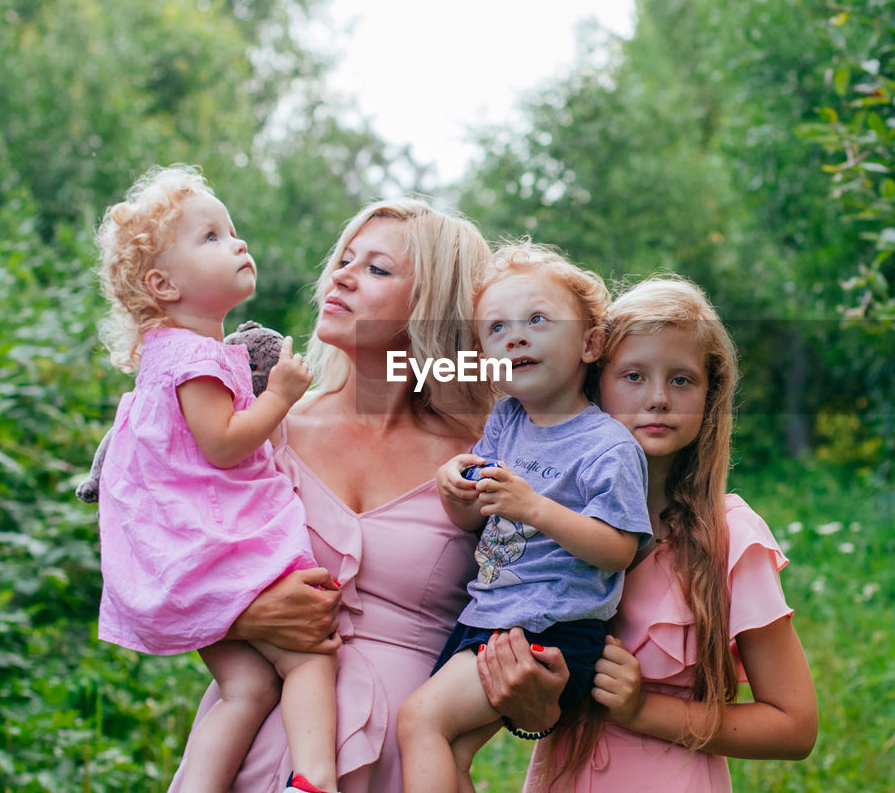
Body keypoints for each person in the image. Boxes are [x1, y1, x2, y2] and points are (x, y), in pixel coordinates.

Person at [168, 197, 496, 793]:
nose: (341, 276)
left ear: (431, 310)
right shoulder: (264, 427)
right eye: (345, 259)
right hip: (257, 757)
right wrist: (241, 616)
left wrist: (520, 709)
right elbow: (163, 563)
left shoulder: (486, 454)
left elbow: (542, 609)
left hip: (405, 766)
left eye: (376, 269)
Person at [477, 276, 819, 791]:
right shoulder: (547, 521)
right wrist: (535, 709)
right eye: (633, 376)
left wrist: (643, 710)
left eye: (682, 380)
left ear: (710, 395)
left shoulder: (731, 537)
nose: (658, 398)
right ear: (595, 381)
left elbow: (794, 727)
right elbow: (545, 714)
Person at [93, 165, 339, 793]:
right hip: (209, 543)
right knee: (309, 655)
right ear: (163, 284)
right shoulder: (194, 358)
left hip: (178, 549)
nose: (238, 244)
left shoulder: (169, 351)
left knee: (247, 686)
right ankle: (315, 781)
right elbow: (225, 447)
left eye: (233, 231)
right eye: (211, 237)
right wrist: (279, 396)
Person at [396, 242, 653, 793]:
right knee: (452, 752)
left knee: (420, 722)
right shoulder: (507, 420)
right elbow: (479, 521)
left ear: (589, 343)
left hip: (552, 625)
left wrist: (534, 506)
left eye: (538, 319)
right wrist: (455, 493)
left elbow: (619, 550)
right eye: (496, 329)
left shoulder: (606, 445)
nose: (515, 336)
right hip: (494, 613)